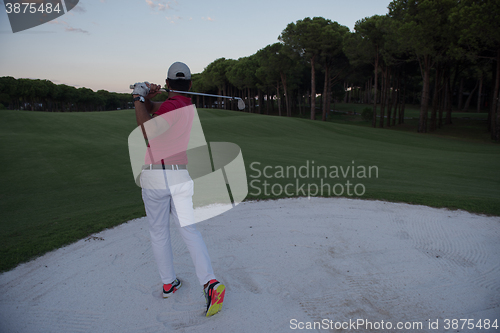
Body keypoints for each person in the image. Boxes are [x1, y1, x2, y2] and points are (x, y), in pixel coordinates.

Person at [131, 62, 225, 317]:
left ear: (169, 83)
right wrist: (148, 99)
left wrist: (138, 96)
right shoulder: (183, 105)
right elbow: (154, 110)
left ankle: (168, 283)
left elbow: (146, 130)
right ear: (191, 84)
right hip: (180, 176)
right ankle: (210, 282)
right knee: (189, 230)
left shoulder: (173, 105)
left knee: (159, 231)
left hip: (156, 177)